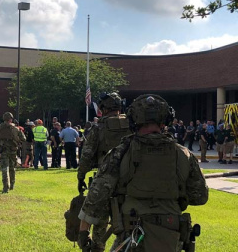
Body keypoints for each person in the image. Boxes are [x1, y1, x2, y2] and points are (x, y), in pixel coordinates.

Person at [77, 94, 209, 252]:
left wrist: (83, 233)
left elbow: (96, 197)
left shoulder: (120, 153)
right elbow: (200, 196)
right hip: (171, 236)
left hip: (132, 235)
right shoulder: (184, 154)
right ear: (165, 120)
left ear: (134, 120)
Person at [77, 92, 131, 252]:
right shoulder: (133, 125)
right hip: (130, 181)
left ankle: (98, 246)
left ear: (103, 109)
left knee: (99, 220)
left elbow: (87, 155)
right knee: (128, 222)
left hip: (105, 180)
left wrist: (81, 177)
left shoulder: (99, 127)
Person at [0, 112, 25, 193]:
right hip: (13, 150)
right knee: (12, 168)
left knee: (4, 168)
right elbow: (23, 138)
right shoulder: (16, 129)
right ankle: (12, 184)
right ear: (11, 119)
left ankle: (5, 187)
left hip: (3, 150)